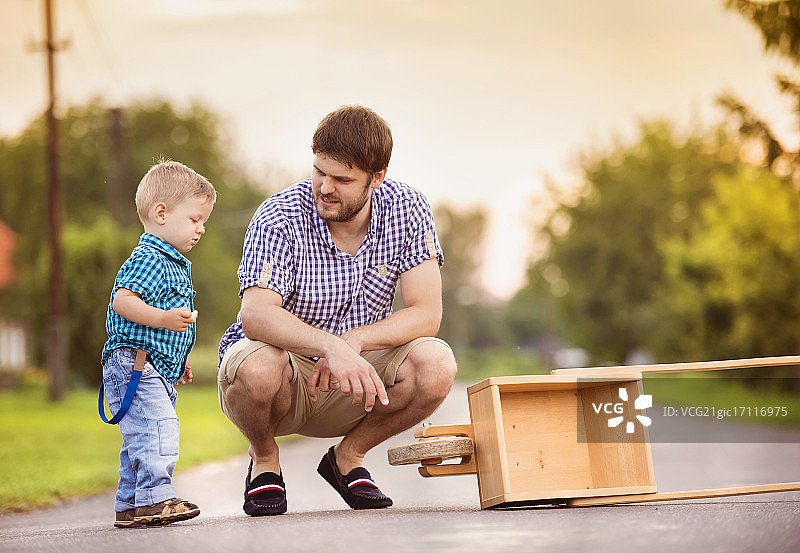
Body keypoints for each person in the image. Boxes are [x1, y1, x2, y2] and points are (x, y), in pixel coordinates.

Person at [217, 105, 457, 516]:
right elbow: (255, 316)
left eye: (342, 179)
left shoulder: (408, 208)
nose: (324, 187)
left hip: (357, 379)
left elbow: (425, 313)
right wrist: (330, 347)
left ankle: (348, 458)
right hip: (285, 379)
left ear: (376, 178)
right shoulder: (279, 215)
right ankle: (265, 462)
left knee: (437, 363)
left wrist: (354, 342)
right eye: (319, 171)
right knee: (256, 367)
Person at [100, 160, 215, 528]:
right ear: (161, 213)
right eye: (195, 219)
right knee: (159, 428)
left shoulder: (173, 262)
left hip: (150, 363)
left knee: (141, 435)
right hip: (134, 364)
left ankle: (130, 504)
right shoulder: (151, 257)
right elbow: (123, 300)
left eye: (203, 221)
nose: (201, 228)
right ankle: (156, 498)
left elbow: (159, 329)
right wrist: (164, 318)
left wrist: (175, 362)